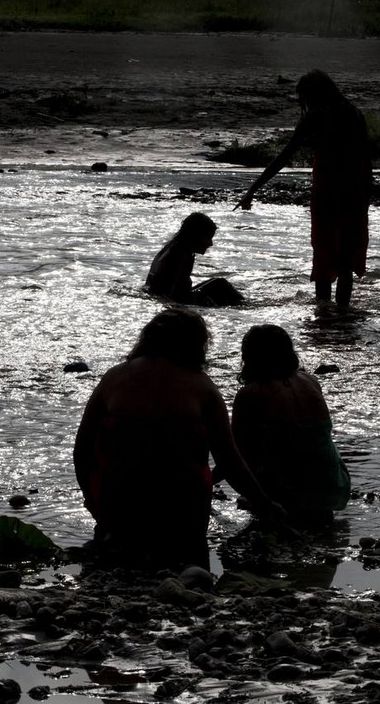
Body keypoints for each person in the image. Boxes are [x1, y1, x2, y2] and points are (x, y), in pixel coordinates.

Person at [73, 308, 282, 569]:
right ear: (196, 346)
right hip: (182, 517)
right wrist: (265, 504)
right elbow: (229, 459)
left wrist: (94, 503)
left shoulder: (114, 377)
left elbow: (81, 451)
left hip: (119, 511)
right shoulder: (202, 387)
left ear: (147, 338)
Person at [235, 69, 373, 308]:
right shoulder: (354, 113)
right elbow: (366, 158)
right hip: (354, 194)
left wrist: (253, 189)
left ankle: (323, 312)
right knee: (345, 260)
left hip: (327, 194)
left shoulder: (315, 117)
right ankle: (343, 314)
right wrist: (367, 192)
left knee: (324, 254)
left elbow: (284, 156)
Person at [226, 325, 350, 527]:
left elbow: (234, 455)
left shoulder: (252, 393)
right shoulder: (310, 380)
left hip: (290, 494)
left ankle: (266, 503)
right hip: (334, 486)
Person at [144, 212, 243, 306]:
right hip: (173, 298)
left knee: (217, 283)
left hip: (165, 295)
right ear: (196, 236)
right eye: (208, 238)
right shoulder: (178, 255)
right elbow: (172, 294)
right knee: (220, 284)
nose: (210, 244)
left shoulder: (175, 248)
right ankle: (245, 306)